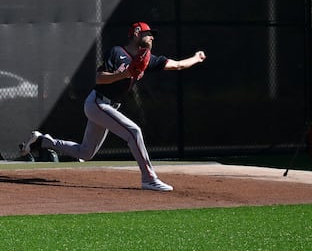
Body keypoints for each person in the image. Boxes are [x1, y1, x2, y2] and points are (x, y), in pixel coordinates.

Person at [21, 21, 206, 192]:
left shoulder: (147, 59)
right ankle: (149, 178)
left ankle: (42, 141)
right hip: (97, 102)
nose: (152, 37)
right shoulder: (117, 52)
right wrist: (125, 74)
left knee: (86, 153)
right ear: (136, 33)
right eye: (149, 33)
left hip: (109, 107)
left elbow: (178, 65)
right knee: (134, 132)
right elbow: (99, 78)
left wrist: (196, 58)